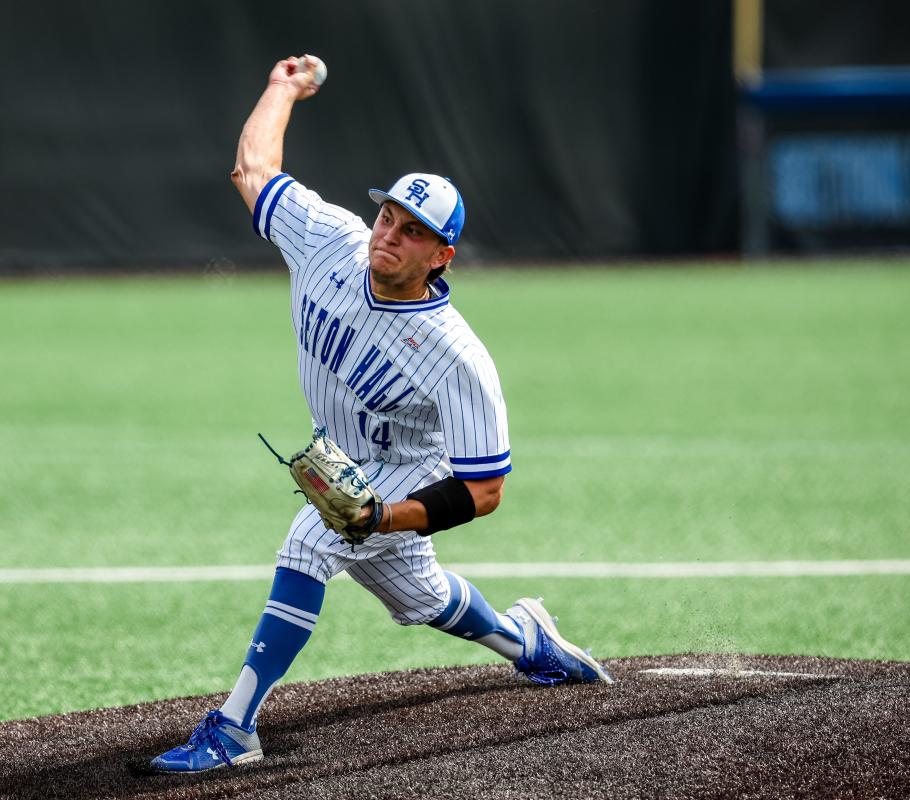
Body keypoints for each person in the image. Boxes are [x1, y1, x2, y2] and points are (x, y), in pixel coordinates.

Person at [149, 55, 612, 774]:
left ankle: (235, 727)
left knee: (309, 541)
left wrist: (383, 516)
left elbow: (485, 490)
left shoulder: (456, 357)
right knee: (423, 595)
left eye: (412, 230)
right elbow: (253, 169)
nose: (388, 233)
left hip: (410, 468)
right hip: (349, 452)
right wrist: (282, 89)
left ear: (441, 256)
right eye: (387, 215)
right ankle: (531, 643)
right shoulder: (329, 240)